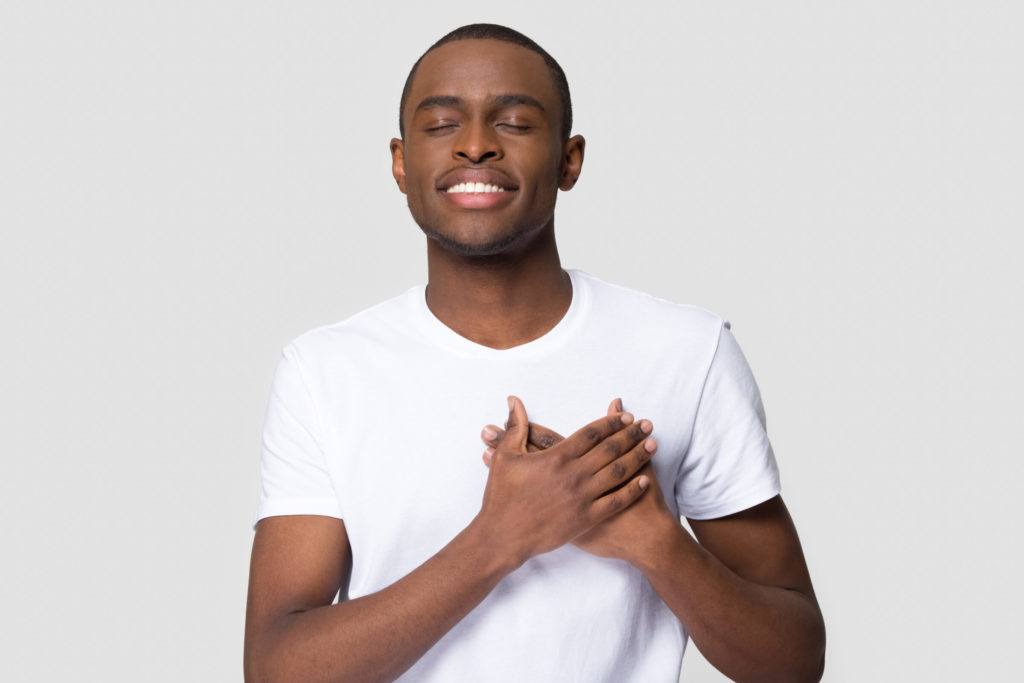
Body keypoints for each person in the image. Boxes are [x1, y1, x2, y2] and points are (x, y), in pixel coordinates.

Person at [244, 23, 825, 683]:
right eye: (440, 126)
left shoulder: (688, 352)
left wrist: (658, 543)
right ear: (401, 164)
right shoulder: (325, 371)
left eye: (515, 122)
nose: (475, 145)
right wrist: (501, 537)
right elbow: (276, 669)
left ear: (569, 159)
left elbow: (794, 659)